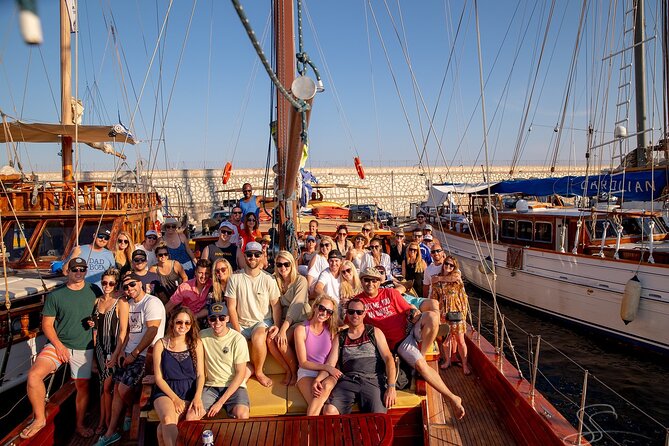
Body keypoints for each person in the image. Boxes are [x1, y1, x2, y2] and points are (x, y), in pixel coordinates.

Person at [355, 267, 465, 419]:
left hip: (409, 330)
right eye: (366, 280)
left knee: (433, 316)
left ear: (379, 282)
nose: (370, 284)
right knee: (421, 366)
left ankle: (423, 354)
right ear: (361, 281)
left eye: (374, 280)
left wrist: (415, 313)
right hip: (396, 343)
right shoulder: (358, 303)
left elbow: (409, 310)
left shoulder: (391, 293)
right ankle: (452, 397)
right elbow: (349, 324)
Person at [20, 257, 101, 440]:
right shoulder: (56, 295)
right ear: (67, 272)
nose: (79, 273)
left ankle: (79, 425)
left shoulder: (93, 290)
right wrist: (59, 346)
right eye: (75, 270)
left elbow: (101, 311)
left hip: (84, 347)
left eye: (82, 269)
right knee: (34, 376)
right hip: (59, 344)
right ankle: (40, 418)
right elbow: (47, 325)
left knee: (82, 386)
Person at [95, 272, 166, 446]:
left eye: (132, 284)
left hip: (145, 355)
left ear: (140, 283)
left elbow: (152, 331)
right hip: (128, 353)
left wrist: (134, 353)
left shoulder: (152, 302)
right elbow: (126, 332)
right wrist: (120, 352)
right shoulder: (129, 304)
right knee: (116, 388)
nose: (129, 289)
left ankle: (130, 410)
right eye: (126, 287)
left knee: (123, 389)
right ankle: (111, 431)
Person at [322, 298, 396, 415]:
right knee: (329, 411)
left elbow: (388, 358)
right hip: (348, 380)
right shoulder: (340, 337)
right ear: (347, 313)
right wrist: (318, 380)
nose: (355, 315)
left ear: (364, 314)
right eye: (351, 312)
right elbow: (330, 364)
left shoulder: (374, 332)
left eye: (359, 312)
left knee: (379, 418)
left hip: (373, 380)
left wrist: (391, 387)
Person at [225, 241, 282, 388]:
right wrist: (238, 332)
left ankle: (258, 371)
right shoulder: (235, 278)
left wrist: (277, 326)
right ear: (244, 256)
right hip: (241, 322)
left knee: (258, 338)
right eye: (249, 254)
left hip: (261, 322)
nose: (253, 257)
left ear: (262, 256)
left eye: (257, 254)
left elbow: (276, 306)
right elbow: (231, 307)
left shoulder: (268, 279)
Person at [188, 302, 250, 420]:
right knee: (191, 416)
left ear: (227, 319)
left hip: (234, 387)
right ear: (208, 320)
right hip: (211, 386)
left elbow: (240, 373)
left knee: (242, 415)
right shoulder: (202, 336)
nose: (217, 323)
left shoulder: (238, 339)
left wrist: (220, 402)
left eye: (221, 318)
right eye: (213, 319)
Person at [152, 308, 204, 446]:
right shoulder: (161, 344)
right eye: (179, 322)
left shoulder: (196, 343)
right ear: (172, 323)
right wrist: (175, 399)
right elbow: (158, 378)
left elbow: (200, 374)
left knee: (161, 430)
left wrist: (197, 397)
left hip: (189, 390)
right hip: (166, 391)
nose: (183, 326)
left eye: (187, 323)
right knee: (168, 419)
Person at [91, 268, 129, 436]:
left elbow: (123, 331)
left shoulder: (121, 302)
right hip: (100, 349)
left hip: (113, 349)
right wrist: (93, 355)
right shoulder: (96, 301)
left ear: (116, 285)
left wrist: (115, 355)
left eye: (111, 283)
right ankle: (103, 420)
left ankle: (106, 422)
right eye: (104, 283)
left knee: (107, 387)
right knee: (102, 386)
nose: (107, 286)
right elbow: (94, 331)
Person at [293, 295, 340, 416]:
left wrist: (327, 370)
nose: (324, 313)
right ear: (315, 307)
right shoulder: (301, 329)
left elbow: (331, 362)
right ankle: (315, 432)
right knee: (323, 408)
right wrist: (327, 367)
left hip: (327, 373)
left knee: (326, 386)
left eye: (329, 312)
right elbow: (303, 362)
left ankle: (310, 431)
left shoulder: (332, 331)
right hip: (307, 371)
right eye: (322, 308)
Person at [272, 251, 310, 385]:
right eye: (279, 264)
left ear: (292, 265)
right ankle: (287, 369)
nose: (283, 268)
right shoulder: (274, 280)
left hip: (299, 318)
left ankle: (294, 372)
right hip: (282, 320)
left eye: (286, 264)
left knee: (283, 341)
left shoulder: (301, 280)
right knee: (270, 340)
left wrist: (282, 329)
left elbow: (296, 306)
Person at [430, 256, 470, 375]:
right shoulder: (436, 283)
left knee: (461, 341)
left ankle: (464, 365)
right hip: (444, 314)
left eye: (451, 265)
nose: (448, 266)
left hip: (457, 313)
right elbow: (434, 299)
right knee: (446, 341)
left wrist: (439, 278)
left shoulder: (456, 278)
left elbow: (456, 276)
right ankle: (447, 361)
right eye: (447, 264)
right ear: (443, 264)